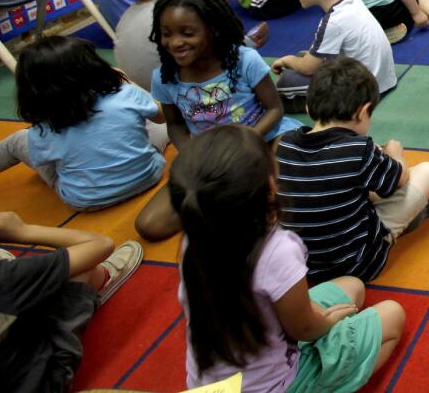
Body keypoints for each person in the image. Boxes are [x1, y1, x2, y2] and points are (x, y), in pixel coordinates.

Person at [170, 125, 406, 391]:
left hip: (216, 381)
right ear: (271, 184)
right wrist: (327, 322)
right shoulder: (277, 250)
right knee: (393, 315)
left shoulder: (194, 238)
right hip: (279, 383)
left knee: (353, 286)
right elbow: (304, 329)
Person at [135, 0, 300, 241]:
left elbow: (274, 109)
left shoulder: (244, 60)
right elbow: (175, 125)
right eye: (166, 33)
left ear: (212, 29)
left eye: (187, 33)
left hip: (264, 140)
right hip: (213, 157)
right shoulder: (164, 77)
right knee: (150, 226)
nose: (175, 42)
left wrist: (246, 143)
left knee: (291, 195)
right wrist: (192, 154)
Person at [276, 57, 429, 284]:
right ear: (363, 111)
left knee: (356, 186)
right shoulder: (359, 150)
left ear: (308, 107)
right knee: (428, 171)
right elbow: (400, 178)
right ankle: (398, 226)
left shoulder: (284, 144)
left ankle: (402, 215)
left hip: (301, 268)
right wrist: (395, 154)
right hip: (358, 264)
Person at [0, 184, 143, 391]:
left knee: (1, 268)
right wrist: (23, 231)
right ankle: (102, 279)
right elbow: (101, 244)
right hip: (44, 381)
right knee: (79, 267)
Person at [0, 36, 168, 209]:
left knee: (17, 141)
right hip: (150, 176)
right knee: (155, 122)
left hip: (87, 200)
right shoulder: (125, 94)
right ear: (94, 66)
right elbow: (162, 115)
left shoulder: (45, 129)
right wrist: (125, 82)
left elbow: (44, 158)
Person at [116, 0, 269, 93]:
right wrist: (247, 43)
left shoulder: (125, 17)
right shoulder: (178, 12)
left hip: (148, 95)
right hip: (188, 94)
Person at [271, 0, 397, 104]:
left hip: (364, 92)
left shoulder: (333, 21)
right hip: (384, 80)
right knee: (305, 57)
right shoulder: (352, 0)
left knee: (286, 82)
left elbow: (308, 68)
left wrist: (286, 60)